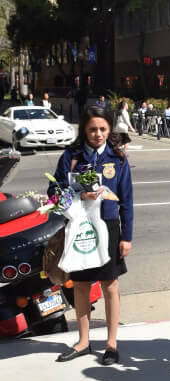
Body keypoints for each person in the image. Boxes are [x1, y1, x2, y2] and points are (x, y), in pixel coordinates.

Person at [50, 106, 134, 366]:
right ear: (84, 130)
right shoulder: (71, 156)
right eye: (92, 129)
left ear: (109, 129)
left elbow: (127, 201)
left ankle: (111, 344)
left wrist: (126, 237)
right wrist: (77, 195)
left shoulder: (117, 158)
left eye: (103, 129)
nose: (98, 134)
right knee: (82, 285)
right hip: (80, 228)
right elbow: (54, 192)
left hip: (109, 227)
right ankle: (84, 341)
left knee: (110, 285)